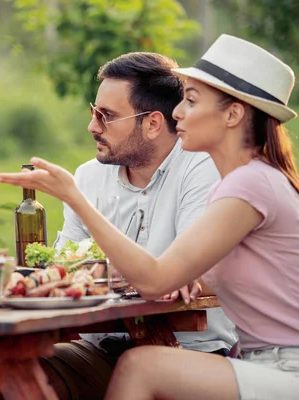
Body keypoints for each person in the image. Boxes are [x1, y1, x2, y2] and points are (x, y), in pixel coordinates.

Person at [0, 34, 299, 399]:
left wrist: (74, 197)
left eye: (191, 101)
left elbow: (155, 281)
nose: (177, 113)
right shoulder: (240, 184)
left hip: (284, 366)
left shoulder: (249, 184)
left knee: (141, 366)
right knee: (13, 366)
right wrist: (188, 274)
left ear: (233, 114)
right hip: (258, 361)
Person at [41, 52, 237, 399]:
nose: (92, 126)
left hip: (191, 355)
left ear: (153, 123)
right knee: (0, 364)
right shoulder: (88, 176)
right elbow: (64, 266)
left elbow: (190, 273)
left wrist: (107, 272)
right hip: (100, 350)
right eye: (93, 111)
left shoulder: (201, 169)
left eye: (106, 116)